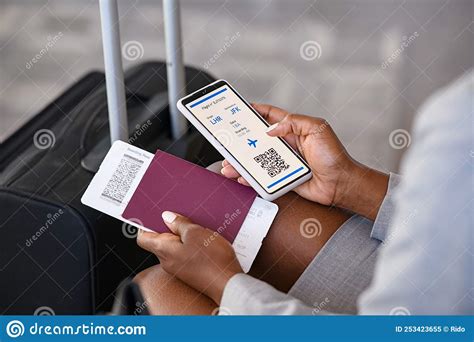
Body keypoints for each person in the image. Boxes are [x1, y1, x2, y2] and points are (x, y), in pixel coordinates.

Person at [134, 71, 473, 315]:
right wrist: (351, 184)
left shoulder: (458, 122)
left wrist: (223, 284)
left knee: (158, 291)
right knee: (235, 191)